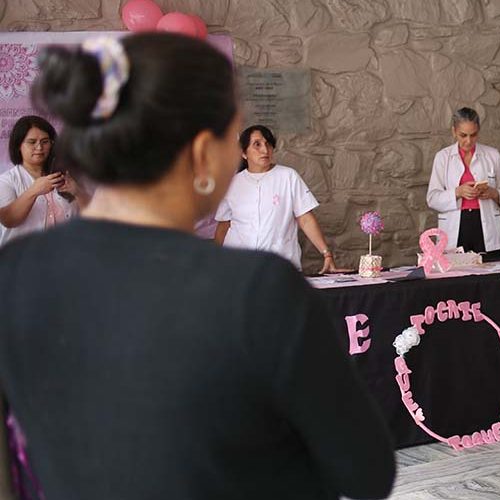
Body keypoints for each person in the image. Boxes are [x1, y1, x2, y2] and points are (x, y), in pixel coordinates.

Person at [0, 33, 395, 499]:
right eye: (234, 138)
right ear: (205, 151)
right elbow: (366, 471)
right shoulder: (257, 290)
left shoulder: (15, 272)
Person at [215, 124, 343, 273]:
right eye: (257, 144)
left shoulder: (288, 177)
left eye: (268, 144)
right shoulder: (232, 184)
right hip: (238, 265)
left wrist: (326, 254)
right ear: (244, 153)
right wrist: (214, 262)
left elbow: (305, 219)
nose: (265, 150)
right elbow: (223, 225)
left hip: (280, 266)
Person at [426, 107, 500, 260]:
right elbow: (432, 198)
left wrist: (494, 193)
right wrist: (457, 192)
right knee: (457, 271)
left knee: (493, 269)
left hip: (486, 226)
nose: (468, 141)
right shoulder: (442, 157)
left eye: (473, 135)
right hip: (456, 228)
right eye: (463, 135)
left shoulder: (492, 155)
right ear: (454, 131)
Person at [0, 115, 90, 247]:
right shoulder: (6, 180)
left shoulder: (68, 175)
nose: (39, 147)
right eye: (32, 142)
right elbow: (9, 220)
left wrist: (78, 192)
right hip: (23, 257)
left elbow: (94, 216)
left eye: (45, 141)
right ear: (18, 145)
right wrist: (33, 191)